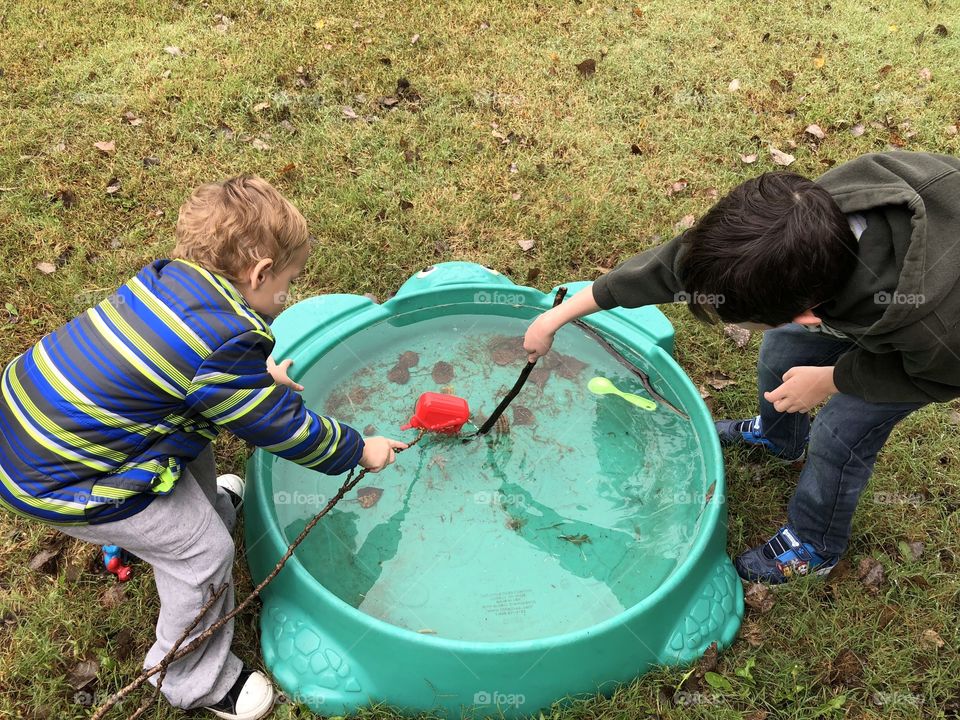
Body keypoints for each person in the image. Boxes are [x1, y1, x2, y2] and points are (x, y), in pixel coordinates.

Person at [0, 175, 407, 720]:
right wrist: (359, 450)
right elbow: (281, 429)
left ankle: (209, 508)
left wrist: (253, 376)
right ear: (260, 273)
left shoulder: (168, 283)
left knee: (193, 435)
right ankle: (192, 678)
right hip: (66, 480)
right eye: (288, 282)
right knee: (202, 554)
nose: (287, 294)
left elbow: (182, 370)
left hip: (34, 426)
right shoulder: (227, 338)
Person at [523, 151, 960, 585]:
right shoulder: (796, 227)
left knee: (840, 433)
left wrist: (831, 379)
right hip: (861, 297)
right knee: (782, 350)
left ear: (809, 313)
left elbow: (933, 378)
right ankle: (779, 438)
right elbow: (671, 267)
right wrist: (556, 317)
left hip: (935, 357)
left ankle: (816, 544)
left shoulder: (935, 322)